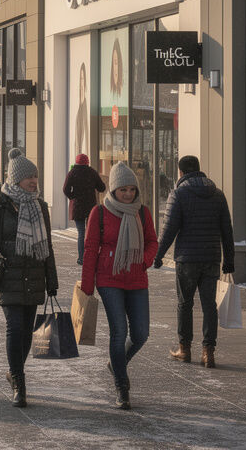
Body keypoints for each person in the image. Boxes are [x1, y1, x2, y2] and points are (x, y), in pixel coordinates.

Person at [0, 149, 58, 408]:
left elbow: (48, 245)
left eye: (35, 176)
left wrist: (52, 280)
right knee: (15, 327)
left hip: (34, 276)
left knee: (27, 333)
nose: (34, 181)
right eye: (28, 177)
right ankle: (20, 384)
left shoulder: (40, 206)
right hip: (7, 276)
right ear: (16, 179)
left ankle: (13, 373)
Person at [81, 161, 158, 410]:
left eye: (131, 190)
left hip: (136, 278)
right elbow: (90, 249)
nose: (128, 194)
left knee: (141, 333)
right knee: (119, 331)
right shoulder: (99, 213)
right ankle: (122, 386)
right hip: (109, 279)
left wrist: (143, 261)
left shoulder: (142, 213)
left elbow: (152, 242)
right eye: (123, 190)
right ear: (113, 190)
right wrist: (87, 286)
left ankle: (117, 362)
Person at [154, 155, 234, 369]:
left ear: (180, 172)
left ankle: (185, 349)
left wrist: (158, 255)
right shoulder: (217, 195)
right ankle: (208, 353)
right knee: (209, 306)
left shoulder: (178, 194)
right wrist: (230, 260)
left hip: (187, 259)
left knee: (184, 304)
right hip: (211, 258)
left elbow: (169, 229)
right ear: (199, 170)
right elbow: (227, 230)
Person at [63, 153, 106, 266]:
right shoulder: (92, 172)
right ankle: (91, 257)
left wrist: (73, 196)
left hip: (78, 207)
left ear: (76, 162)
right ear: (87, 162)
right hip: (91, 207)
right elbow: (102, 188)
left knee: (81, 233)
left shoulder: (72, 173)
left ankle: (81, 258)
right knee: (91, 233)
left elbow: (65, 189)